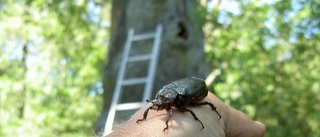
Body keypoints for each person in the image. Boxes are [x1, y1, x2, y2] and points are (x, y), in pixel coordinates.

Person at [106, 92, 266, 137]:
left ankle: (213, 110)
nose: (158, 105)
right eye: (158, 101)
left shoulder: (177, 103)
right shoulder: (163, 99)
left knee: (196, 107)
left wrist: (168, 124)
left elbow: (187, 110)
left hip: (195, 91)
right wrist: (144, 119)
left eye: (161, 102)